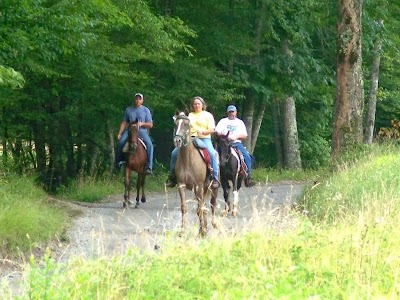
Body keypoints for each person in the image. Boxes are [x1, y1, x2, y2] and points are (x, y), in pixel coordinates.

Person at [166, 96, 220, 189]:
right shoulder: (189, 115)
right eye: (195, 104)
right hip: (190, 139)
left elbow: (212, 129)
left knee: (211, 153)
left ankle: (214, 177)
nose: (197, 105)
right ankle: (172, 177)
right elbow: (181, 124)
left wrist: (203, 132)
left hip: (204, 138)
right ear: (192, 105)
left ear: (202, 105)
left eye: (198, 104)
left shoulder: (207, 115)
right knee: (174, 153)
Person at [215, 105, 256, 187]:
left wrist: (235, 137)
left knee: (247, 157)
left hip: (236, 143)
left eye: (233, 111)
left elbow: (244, 135)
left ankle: (248, 176)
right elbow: (217, 132)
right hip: (224, 143)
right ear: (227, 112)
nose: (231, 113)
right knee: (214, 155)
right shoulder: (223, 121)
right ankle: (213, 176)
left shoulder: (239, 122)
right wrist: (224, 136)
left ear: (236, 112)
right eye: (230, 112)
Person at [115, 92, 154, 175]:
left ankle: (149, 166)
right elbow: (124, 122)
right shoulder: (129, 110)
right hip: (129, 130)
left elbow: (150, 124)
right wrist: (119, 133)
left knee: (150, 145)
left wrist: (142, 124)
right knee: (121, 142)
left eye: (139, 99)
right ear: (134, 99)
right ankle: (119, 161)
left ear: (142, 100)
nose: (137, 100)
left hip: (141, 131)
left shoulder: (145, 110)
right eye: (136, 99)